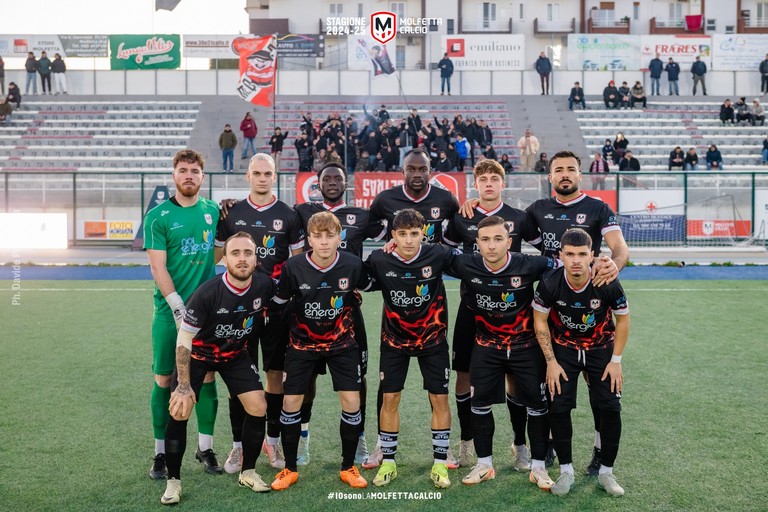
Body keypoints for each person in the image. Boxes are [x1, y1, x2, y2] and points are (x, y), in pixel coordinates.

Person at [159, 232, 276, 505]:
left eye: (248, 253)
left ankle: (248, 472)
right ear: (224, 260)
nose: (242, 259)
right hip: (198, 355)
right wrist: (184, 385)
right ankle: (173, 480)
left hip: (235, 355)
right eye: (235, 253)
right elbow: (185, 338)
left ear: (256, 259)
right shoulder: (208, 292)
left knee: (258, 405)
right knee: (180, 407)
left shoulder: (265, 286)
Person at [364, 149, 460, 469]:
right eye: (411, 168)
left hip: (431, 302)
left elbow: (459, 227)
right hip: (395, 328)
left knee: (439, 394)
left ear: (430, 171)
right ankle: (382, 446)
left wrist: (439, 249)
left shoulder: (445, 199)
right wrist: (387, 243)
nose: (417, 173)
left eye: (422, 169)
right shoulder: (385, 200)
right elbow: (368, 225)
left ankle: (445, 450)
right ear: (402, 171)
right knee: (388, 391)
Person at [443, 161, 539, 470]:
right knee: (463, 376)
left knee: (514, 377)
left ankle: (519, 444)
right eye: (482, 179)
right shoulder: (463, 216)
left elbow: (545, 252)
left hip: (514, 314)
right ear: (475, 183)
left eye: (494, 178)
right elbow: (440, 252)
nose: (488, 183)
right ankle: (468, 442)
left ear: (503, 183)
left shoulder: (520, 218)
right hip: (472, 311)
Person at [451, 216, 558, 490]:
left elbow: (563, 264)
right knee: (480, 404)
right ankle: (484, 464)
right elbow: (428, 254)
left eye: (498, 239)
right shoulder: (466, 263)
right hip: (486, 346)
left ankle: (538, 467)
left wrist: (598, 263)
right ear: (477, 244)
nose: (491, 245)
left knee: (536, 404)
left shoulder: (529, 264)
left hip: (525, 346)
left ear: (509, 242)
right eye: (485, 240)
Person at [268, 212, 372, 491]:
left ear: (340, 238)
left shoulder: (352, 264)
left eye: (330, 236)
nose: (324, 242)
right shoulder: (293, 266)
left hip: (342, 345)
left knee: (352, 402)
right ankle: (289, 468)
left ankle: (348, 466)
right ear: (309, 238)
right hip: (302, 345)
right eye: (318, 236)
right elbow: (278, 302)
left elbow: (372, 284)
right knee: (291, 404)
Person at [215, 153, 305, 473]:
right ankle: (238, 447)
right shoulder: (233, 212)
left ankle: (273, 440)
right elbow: (216, 255)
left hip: (278, 310)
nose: (263, 178)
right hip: (239, 311)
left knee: (275, 377)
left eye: (268, 173)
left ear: (275, 176)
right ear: (247, 176)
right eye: (257, 173)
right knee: (240, 378)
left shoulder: (289, 215)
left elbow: (297, 264)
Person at [293, 163, 385, 467]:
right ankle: (303, 438)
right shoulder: (303, 211)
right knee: (306, 380)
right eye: (326, 179)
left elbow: (393, 231)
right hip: (310, 310)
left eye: (338, 179)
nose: (332, 182)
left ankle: (358, 438)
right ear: (317, 185)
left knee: (357, 379)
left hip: (347, 311)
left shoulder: (361, 215)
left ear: (346, 184)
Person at [533, 227, 630, 497]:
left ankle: (607, 473)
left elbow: (623, 319)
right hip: (564, 350)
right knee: (559, 406)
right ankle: (566, 471)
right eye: (570, 254)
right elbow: (539, 321)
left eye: (582, 254)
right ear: (560, 255)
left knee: (611, 407)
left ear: (592, 256)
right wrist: (551, 362)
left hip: (601, 349)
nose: (576, 260)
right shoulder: (551, 282)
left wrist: (616, 361)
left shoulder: (606, 281)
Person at [143, 149, 221, 481]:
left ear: (202, 177)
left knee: (206, 378)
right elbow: (156, 266)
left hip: (206, 316)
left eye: (195, 171)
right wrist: (177, 305)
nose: (189, 175)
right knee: (163, 380)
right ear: (174, 175)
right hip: (168, 314)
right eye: (183, 170)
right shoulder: (158, 217)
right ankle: (160, 453)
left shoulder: (213, 210)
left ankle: (205, 447)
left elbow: (216, 253)